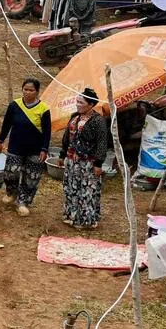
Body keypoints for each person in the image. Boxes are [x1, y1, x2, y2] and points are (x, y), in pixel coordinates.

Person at [0, 79, 51, 216]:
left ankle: (23, 202)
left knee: (31, 177)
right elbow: (6, 124)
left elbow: (47, 131)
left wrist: (44, 149)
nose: (27, 92)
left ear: (37, 92)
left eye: (31, 90)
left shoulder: (44, 109)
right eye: (25, 89)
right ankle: (11, 194)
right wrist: (0, 140)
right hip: (15, 147)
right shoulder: (14, 105)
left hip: (35, 149)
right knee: (11, 173)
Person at [59, 88, 109, 229]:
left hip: (87, 162)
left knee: (86, 190)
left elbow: (102, 142)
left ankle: (85, 220)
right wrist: (63, 154)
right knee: (71, 188)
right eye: (77, 101)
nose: (78, 104)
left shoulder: (98, 121)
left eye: (81, 102)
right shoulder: (75, 116)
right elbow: (66, 137)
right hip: (72, 160)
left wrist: (98, 163)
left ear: (91, 104)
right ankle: (71, 216)